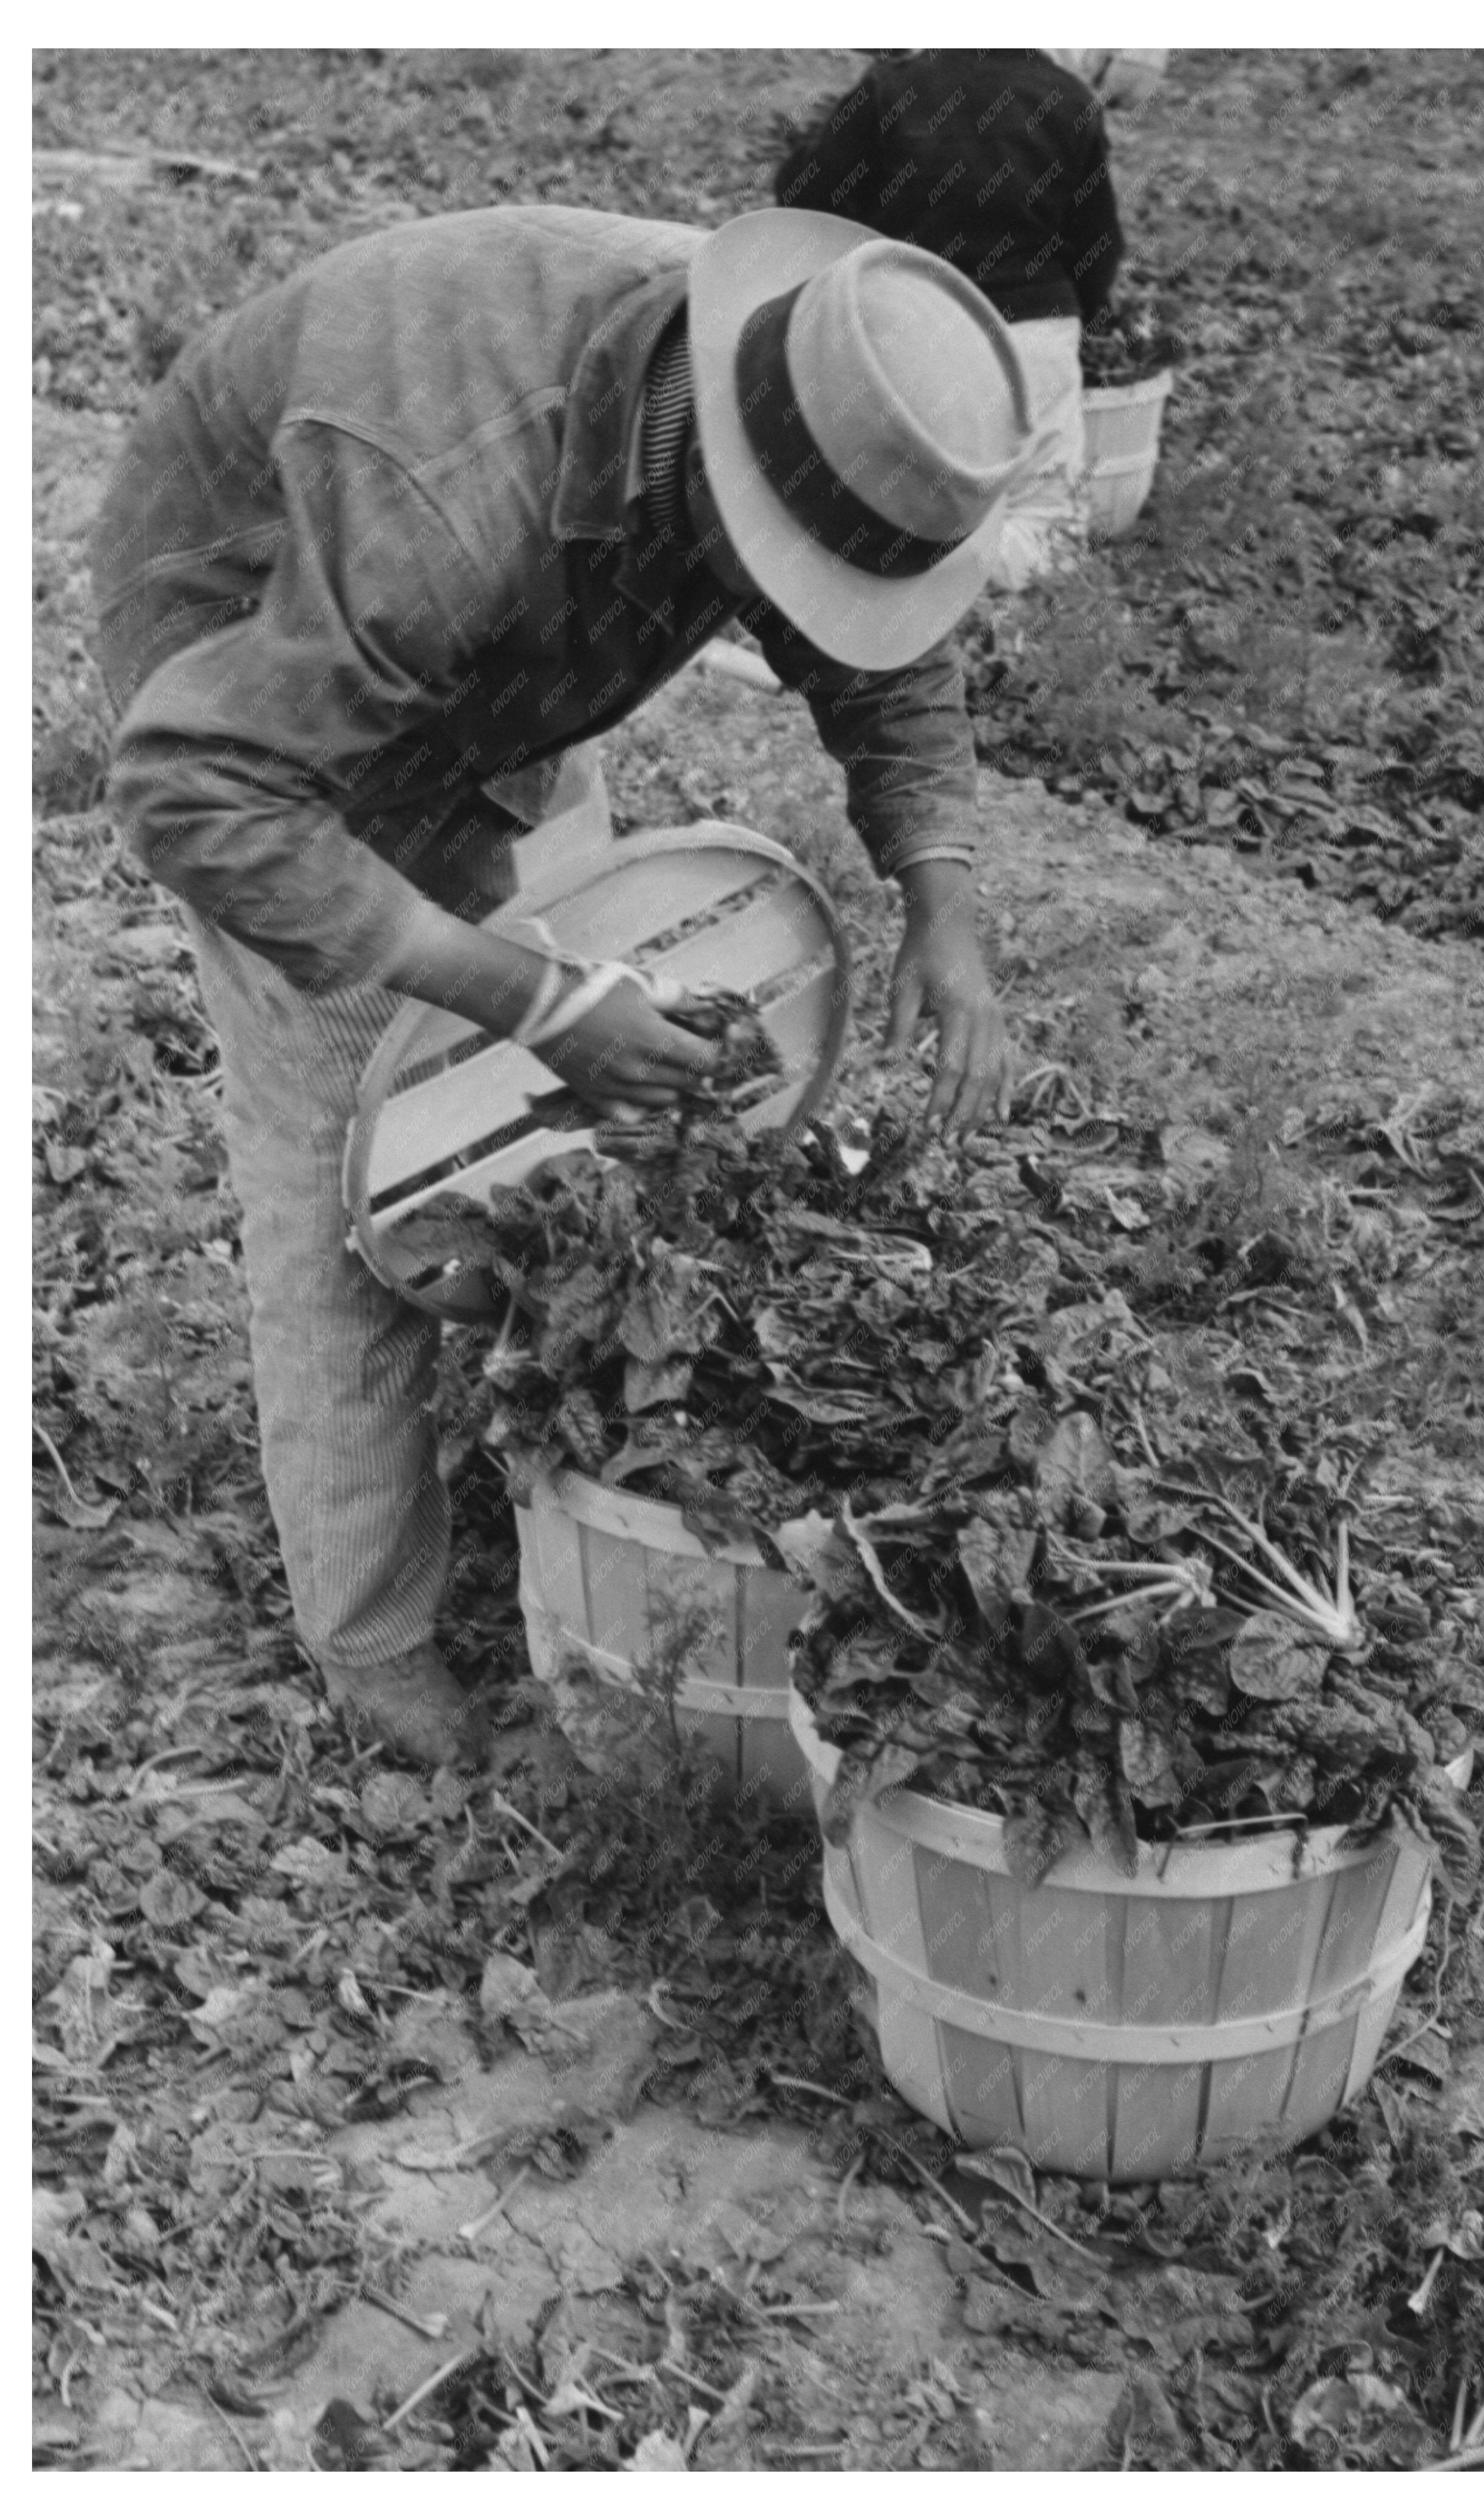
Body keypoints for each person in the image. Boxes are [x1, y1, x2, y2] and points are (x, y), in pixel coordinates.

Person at [92, 204, 1035, 1768]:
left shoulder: (815, 388)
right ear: (727, 496)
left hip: (496, 648)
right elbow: (201, 792)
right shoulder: (445, 502)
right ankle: (375, 1646)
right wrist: (521, 995)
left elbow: (883, 640)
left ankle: (535, 1483)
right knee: (363, 1184)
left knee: (557, 1122)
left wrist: (942, 886)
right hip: (252, 695)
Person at [774, 50, 1124, 588]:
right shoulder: (1069, 100)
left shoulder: (894, 89)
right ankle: (994, 606)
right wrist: (1086, 321)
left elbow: (809, 195)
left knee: (906, 500)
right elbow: (1097, 245)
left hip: (913, 324)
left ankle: (912, 602)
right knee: (1046, 517)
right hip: (1032, 333)